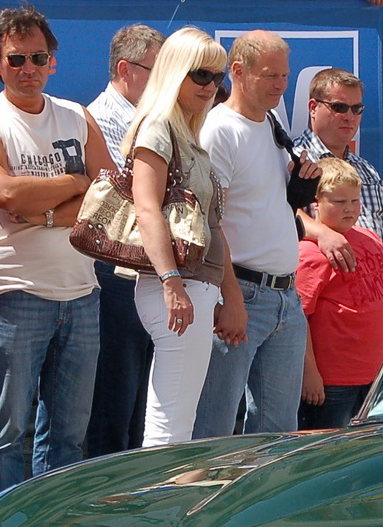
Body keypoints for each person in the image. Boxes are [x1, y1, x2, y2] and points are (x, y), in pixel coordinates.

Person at [0, 5, 112, 499]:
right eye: (16, 58)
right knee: (7, 433)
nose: (28, 68)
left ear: (53, 60)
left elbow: (112, 196)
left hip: (83, 293)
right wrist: (77, 184)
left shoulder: (75, 115)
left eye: (37, 57)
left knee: (69, 434)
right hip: (14, 294)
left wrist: (44, 211)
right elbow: (5, 194)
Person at [190, 31, 325, 440]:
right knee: (215, 426)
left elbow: (260, 205)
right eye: (270, 76)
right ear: (238, 72)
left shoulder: (270, 122)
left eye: (284, 75)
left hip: (285, 293)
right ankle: (204, 501)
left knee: (278, 432)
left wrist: (296, 194)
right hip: (243, 291)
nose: (281, 85)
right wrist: (229, 297)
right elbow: (210, 223)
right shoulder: (220, 130)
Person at [122, 27, 228, 447]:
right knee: (170, 423)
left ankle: (160, 502)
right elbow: (146, 207)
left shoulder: (184, 131)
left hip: (191, 285)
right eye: (200, 75)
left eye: (217, 77)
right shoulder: (158, 128)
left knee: (176, 418)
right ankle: (157, 506)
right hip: (174, 284)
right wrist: (171, 282)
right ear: (174, 72)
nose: (211, 86)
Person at [83, 23, 162, 459]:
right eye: (157, 69)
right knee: (117, 395)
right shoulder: (99, 120)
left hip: (153, 270)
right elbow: (127, 197)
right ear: (125, 69)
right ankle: (105, 495)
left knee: (144, 405)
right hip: (116, 272)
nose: (165, 81)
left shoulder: (154, 118)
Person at [297, 158, 383, 429]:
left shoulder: (371, 239)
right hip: (333, 381)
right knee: (330, 450)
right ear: (315, 203)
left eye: (354, 201)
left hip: (376, 373)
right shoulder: (308, 254)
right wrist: (310, 372)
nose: (349, 209)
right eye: (339, 202)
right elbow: (298, 319)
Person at [294, 68, 383, 278]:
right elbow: (274, 214)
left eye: (357, 108)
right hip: (323, 301)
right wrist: (321, 233)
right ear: (313, 107)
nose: (349, 117)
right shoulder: (292, 161)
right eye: (339, 107)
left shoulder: (367, 170)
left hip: (377, 299)